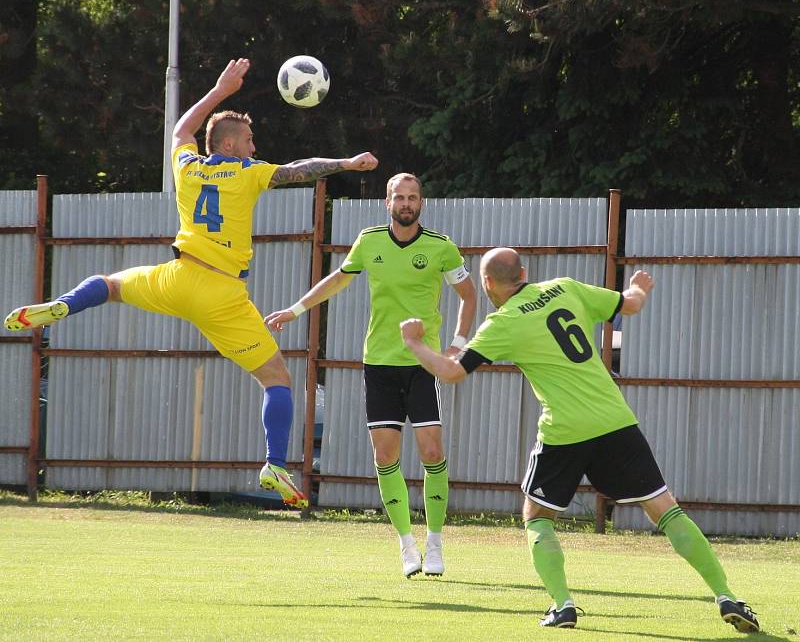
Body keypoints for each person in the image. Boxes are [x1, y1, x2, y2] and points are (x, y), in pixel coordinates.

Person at [4, 58, 378, 509]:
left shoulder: (188, 168)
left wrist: (220, 90)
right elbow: (300, 169)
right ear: (230, 144)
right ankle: (275, 463)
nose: (254, 146)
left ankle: (62, 306)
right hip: (222, 294)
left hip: (178, 277)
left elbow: (181, 131)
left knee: (109, 283)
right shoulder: (247, 173)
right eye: (249, 139)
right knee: (276, 379)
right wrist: (346, 163)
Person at [399, 247, 759, 632]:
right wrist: (639, 287)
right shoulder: (565, 288)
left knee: (537, 517)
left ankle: (563, 605)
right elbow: (631, 305)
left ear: (487, 283)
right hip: (615, 420)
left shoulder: (502, 323)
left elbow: (453, 372)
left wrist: (415, 344)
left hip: (565, 430)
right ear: (524, 272)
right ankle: (725, 596)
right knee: (666, 510)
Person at [267, 172, 477, 577]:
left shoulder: (441, 248)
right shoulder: (370, 241)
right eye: (399, 196)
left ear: (421, 203)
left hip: (422, 364)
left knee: (432, 454)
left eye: (413, 197)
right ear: (387, 202)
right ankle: (406, 545)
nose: (406, 203)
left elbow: (468, 294)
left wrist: (457, 343)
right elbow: (338, 279)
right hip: (379, 364)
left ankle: (435, 544)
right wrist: (295, 310)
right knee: (385, 457)